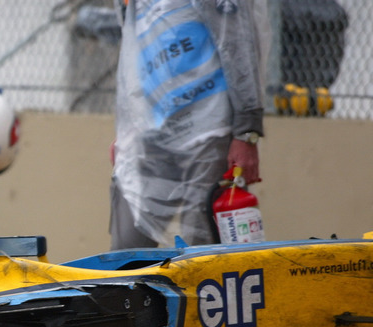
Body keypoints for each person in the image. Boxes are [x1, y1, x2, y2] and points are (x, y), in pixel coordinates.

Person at [109, 0, 269, 249]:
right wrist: (127, 130)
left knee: (204, 249)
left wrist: (246, 130)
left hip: (208, 126)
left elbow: (239, 44)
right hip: (149, 131)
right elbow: (132, 55)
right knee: (126, 253)